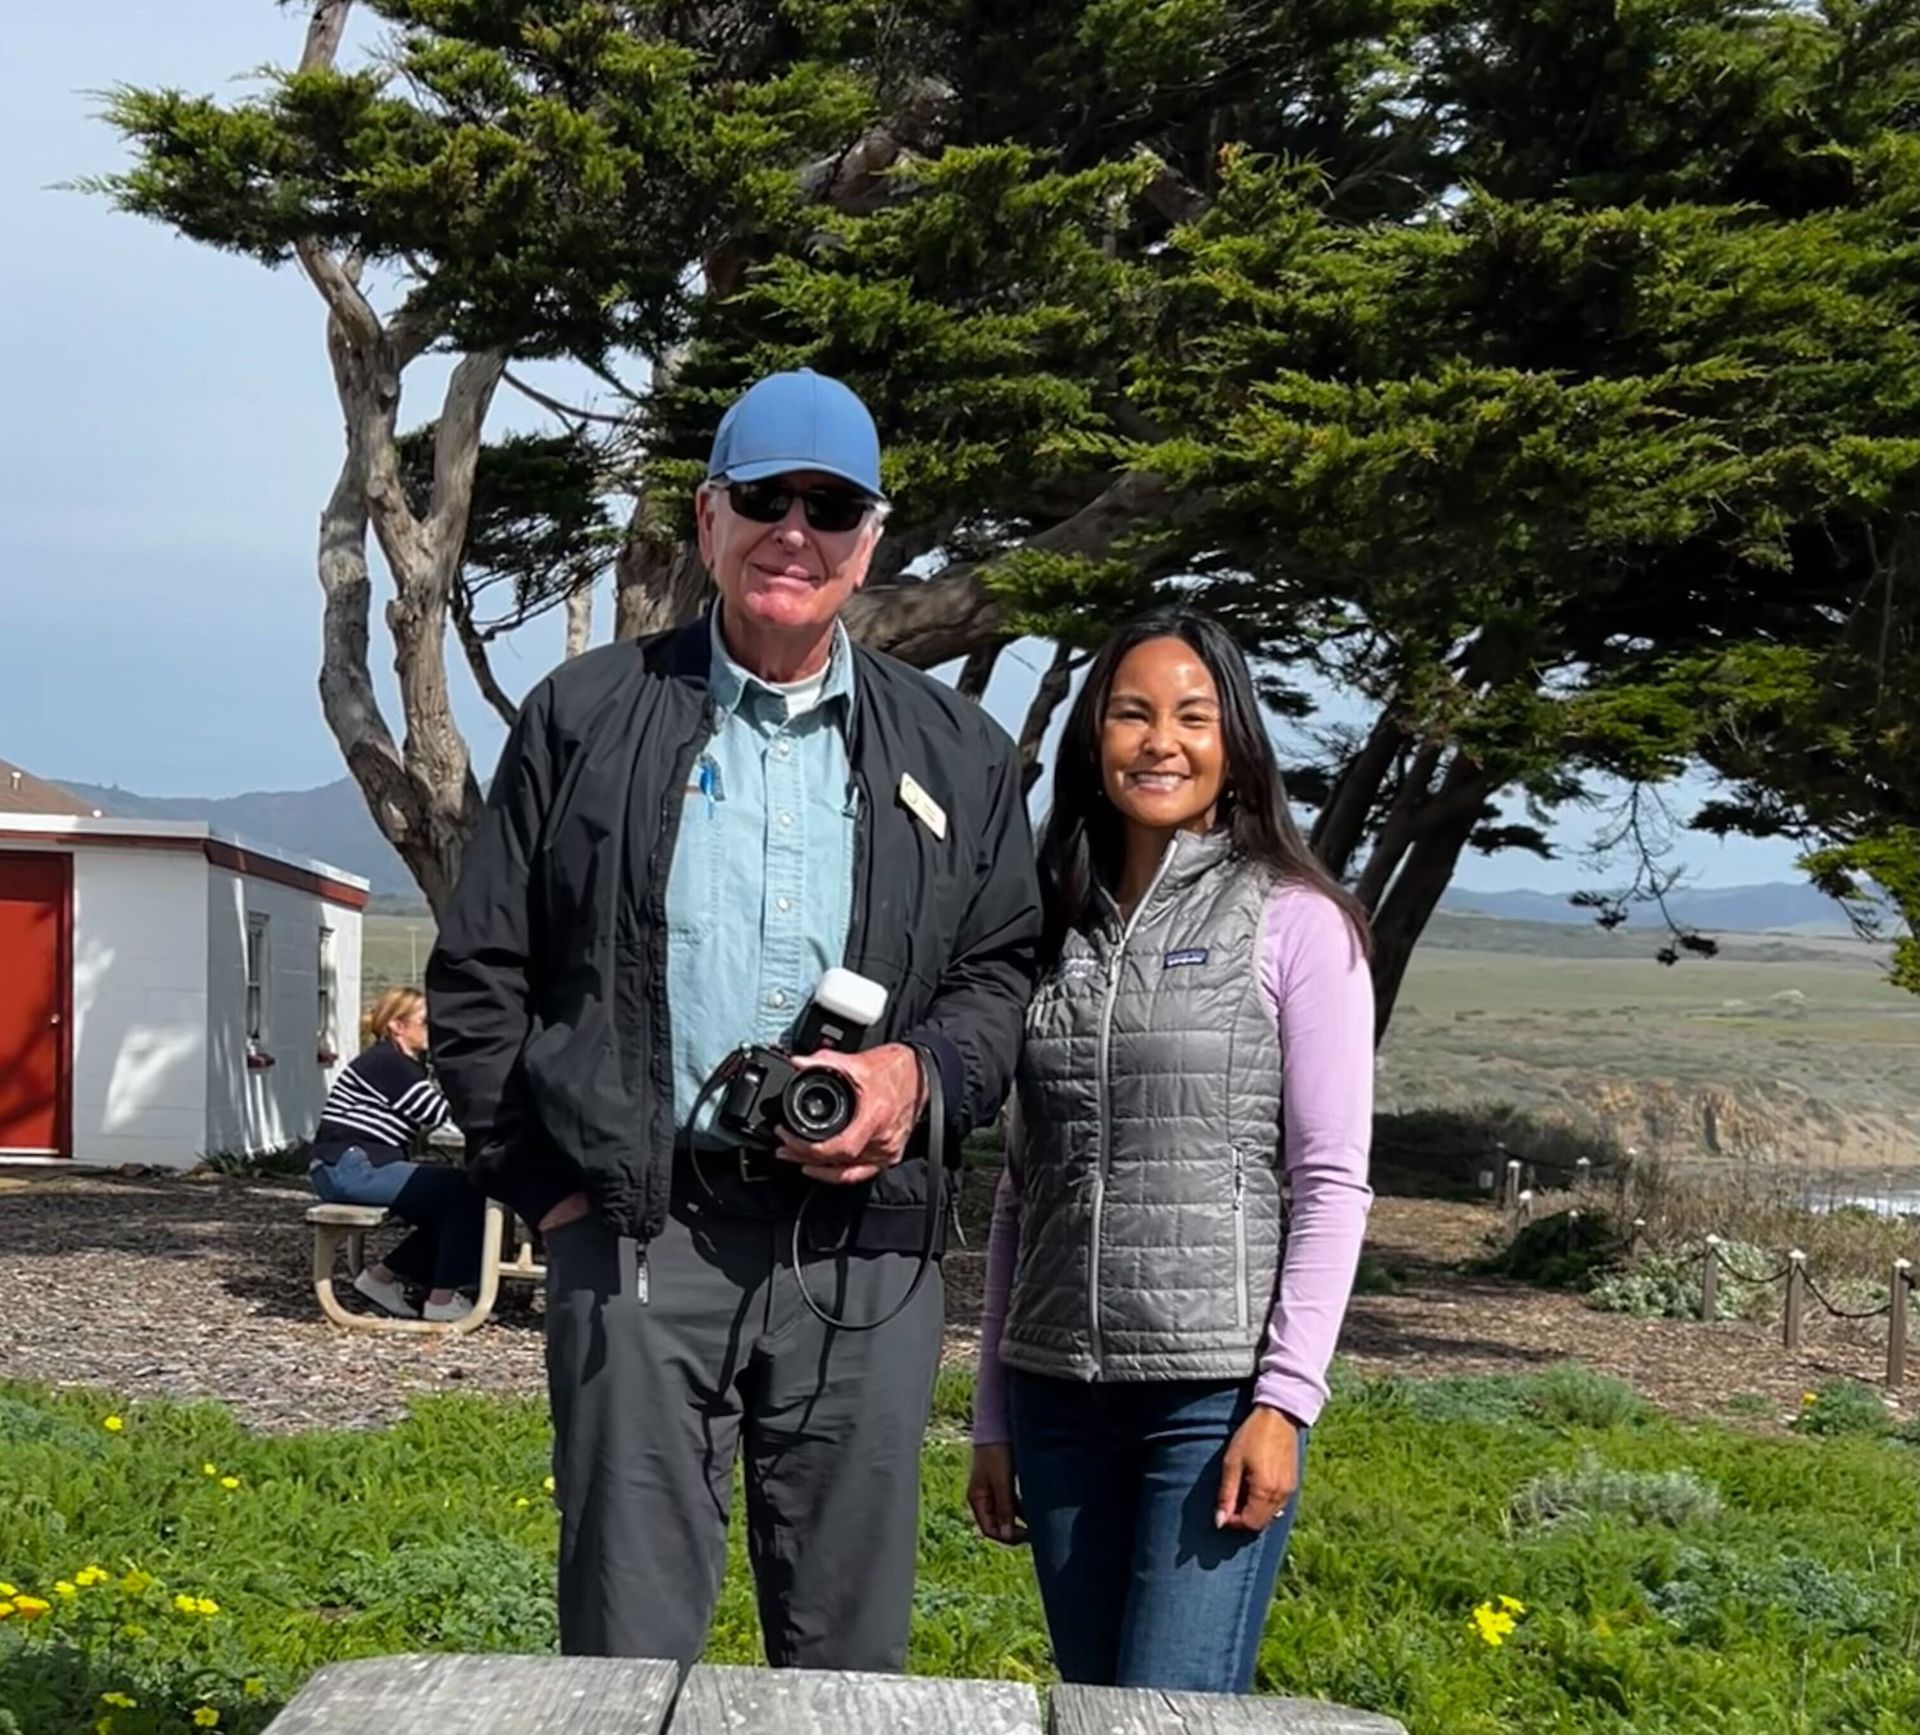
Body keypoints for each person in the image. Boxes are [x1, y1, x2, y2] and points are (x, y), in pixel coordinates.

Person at [427, 368, 1041, 1673]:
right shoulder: (583, 718)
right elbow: (479, 975)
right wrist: (550, 1190)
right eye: (766, 498)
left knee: (847, 1655)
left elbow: (1002, 976)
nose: (795, 532)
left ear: (870, 541)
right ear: (708, 517)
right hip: (639, 1234)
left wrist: (916, 1076)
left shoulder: (959, 751)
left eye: (832, 507)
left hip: (867, 1253)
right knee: (627, 1640)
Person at [966, 605, 1375, 1694]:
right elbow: (1021, 1192)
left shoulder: (1298, 921)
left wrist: (1283, 1401)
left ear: (1234, 740)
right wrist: (992, 1414)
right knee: (1094, 1706)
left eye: (1193, 716)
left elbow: (1332, 1182)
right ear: (1093, 738)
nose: (1161, 742)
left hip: (1210, 1402)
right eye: (1131, 713)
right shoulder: (1051, 928)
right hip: (1055, 1396)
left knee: (1170, 1712)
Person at [308, 986, 484, 1323]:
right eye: (427, 1022)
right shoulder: (389, 1064)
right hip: (351, 1168)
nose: (436, 1029)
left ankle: (383, 1278)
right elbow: (438, 1114)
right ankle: (442, 1299)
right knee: (468, 1192)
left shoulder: (398, 1064)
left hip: (351, 1166)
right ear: (397, 1026)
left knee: (456, 1200)